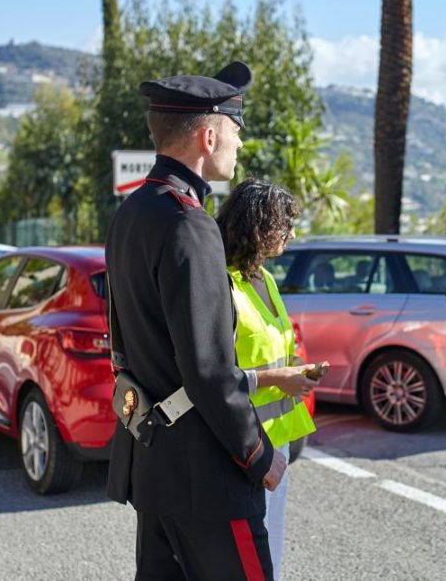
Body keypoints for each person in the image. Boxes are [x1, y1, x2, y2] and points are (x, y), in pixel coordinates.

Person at [104, 61, 287, 581]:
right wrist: (257, 453)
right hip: (206, 479)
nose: (238, 143)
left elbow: (121, 342)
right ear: (208, 136)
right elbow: (208, 369)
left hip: (154, 464)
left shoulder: (132, 212)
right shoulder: (190, 224)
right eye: (234, 130)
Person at [215, 178, 320, 581]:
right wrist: (279, 377)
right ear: (258, 226)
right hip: (243, 443)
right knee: (246, 556)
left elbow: (278, 342)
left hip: (279, 439)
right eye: (285, 224)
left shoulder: (265, 279)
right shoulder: (222, 285)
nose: (292, 234)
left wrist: (297, 366)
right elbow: (213, 374)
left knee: (270, 549)